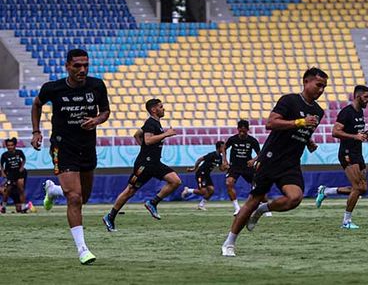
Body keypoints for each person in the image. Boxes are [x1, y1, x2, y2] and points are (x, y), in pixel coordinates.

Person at [221, 67, 327, 257]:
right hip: (270, 159)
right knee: (252, 201)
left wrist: (308, 140)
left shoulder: (318, 111)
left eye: (324, 87)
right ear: (306, 82)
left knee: (295, 198)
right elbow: (270, 123)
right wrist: (299, 122)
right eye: (318, 85)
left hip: (291, 162)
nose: (321, 90)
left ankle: (264, 209)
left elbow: (303, 131)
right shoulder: (289, 100)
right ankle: (229, 242)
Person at [31, 49, 110, 265]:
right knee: (74, 198)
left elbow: (105, 111)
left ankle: (54, 190)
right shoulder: (53, 88)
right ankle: (82, 249)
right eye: (77, 65)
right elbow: (37, 104)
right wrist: (36, 132)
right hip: (63, 147)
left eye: (85, 65)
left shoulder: (97, 85)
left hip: (87, 147)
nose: (82, 69)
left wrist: (96, 121)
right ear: (67, 66)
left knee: (83, 197)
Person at [102, 98, 181, 232]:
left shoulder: (155, 123)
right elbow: (148, 140)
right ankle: (110, 216)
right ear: (154, 109)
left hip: (154, 163)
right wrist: (165, 135)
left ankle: (152, 203)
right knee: (130, 191)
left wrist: (144, 148)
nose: (164, 109)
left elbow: (137, 135)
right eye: (161, 107)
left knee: (175, 181)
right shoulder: (150, 123)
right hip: (144, 165)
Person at [321, 85, 368, 230]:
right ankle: (346, 222)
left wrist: (364, 135)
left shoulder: (360, 112)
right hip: (347, 153)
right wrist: (355, 136)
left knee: (363, 188)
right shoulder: (346, 112)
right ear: (357, 96)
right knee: (357, 187)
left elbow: (357, 132)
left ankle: (326, 191)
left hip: (358, 153)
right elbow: (335, 132)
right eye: (366, 97)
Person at [222, 119, 261, 215]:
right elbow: (224, 148)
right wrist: (225, 160)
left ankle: (262, 206)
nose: (242, 133)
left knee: (258, 186)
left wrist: (253, 160)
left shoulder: (252, 141)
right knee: (228, 183)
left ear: (248, 130)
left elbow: (260, 154)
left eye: (244, 131)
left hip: (247, 167)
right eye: (240, 131)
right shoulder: (233, 139)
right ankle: (237, 208)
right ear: (237, 129)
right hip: (234, 166)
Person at [181, 141, 226, 210]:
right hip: (201, 173)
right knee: (203, 192)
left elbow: (221, 169)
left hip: (207, 175)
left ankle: (201, 205)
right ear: (219, 148)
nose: (224, 149)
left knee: (211, 190)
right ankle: (188, 190)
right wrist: (194, 168)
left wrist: (226, 167)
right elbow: (200, 159)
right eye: (223, 147)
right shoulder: (212, 155)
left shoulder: (220, 157)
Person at [1, 137, 34, 213]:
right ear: (6, 146)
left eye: (11, 145)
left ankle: (23, 207)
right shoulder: (4, 155)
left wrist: (22, 167)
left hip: (19, 173)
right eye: (8, 145)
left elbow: (24, 159)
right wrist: (3, 173)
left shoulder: (19, 152)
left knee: (21, 189)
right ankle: (3, 206)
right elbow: (2, 165)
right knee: (7, 190)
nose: (10, 147)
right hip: (10, 174)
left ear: (15, 145)